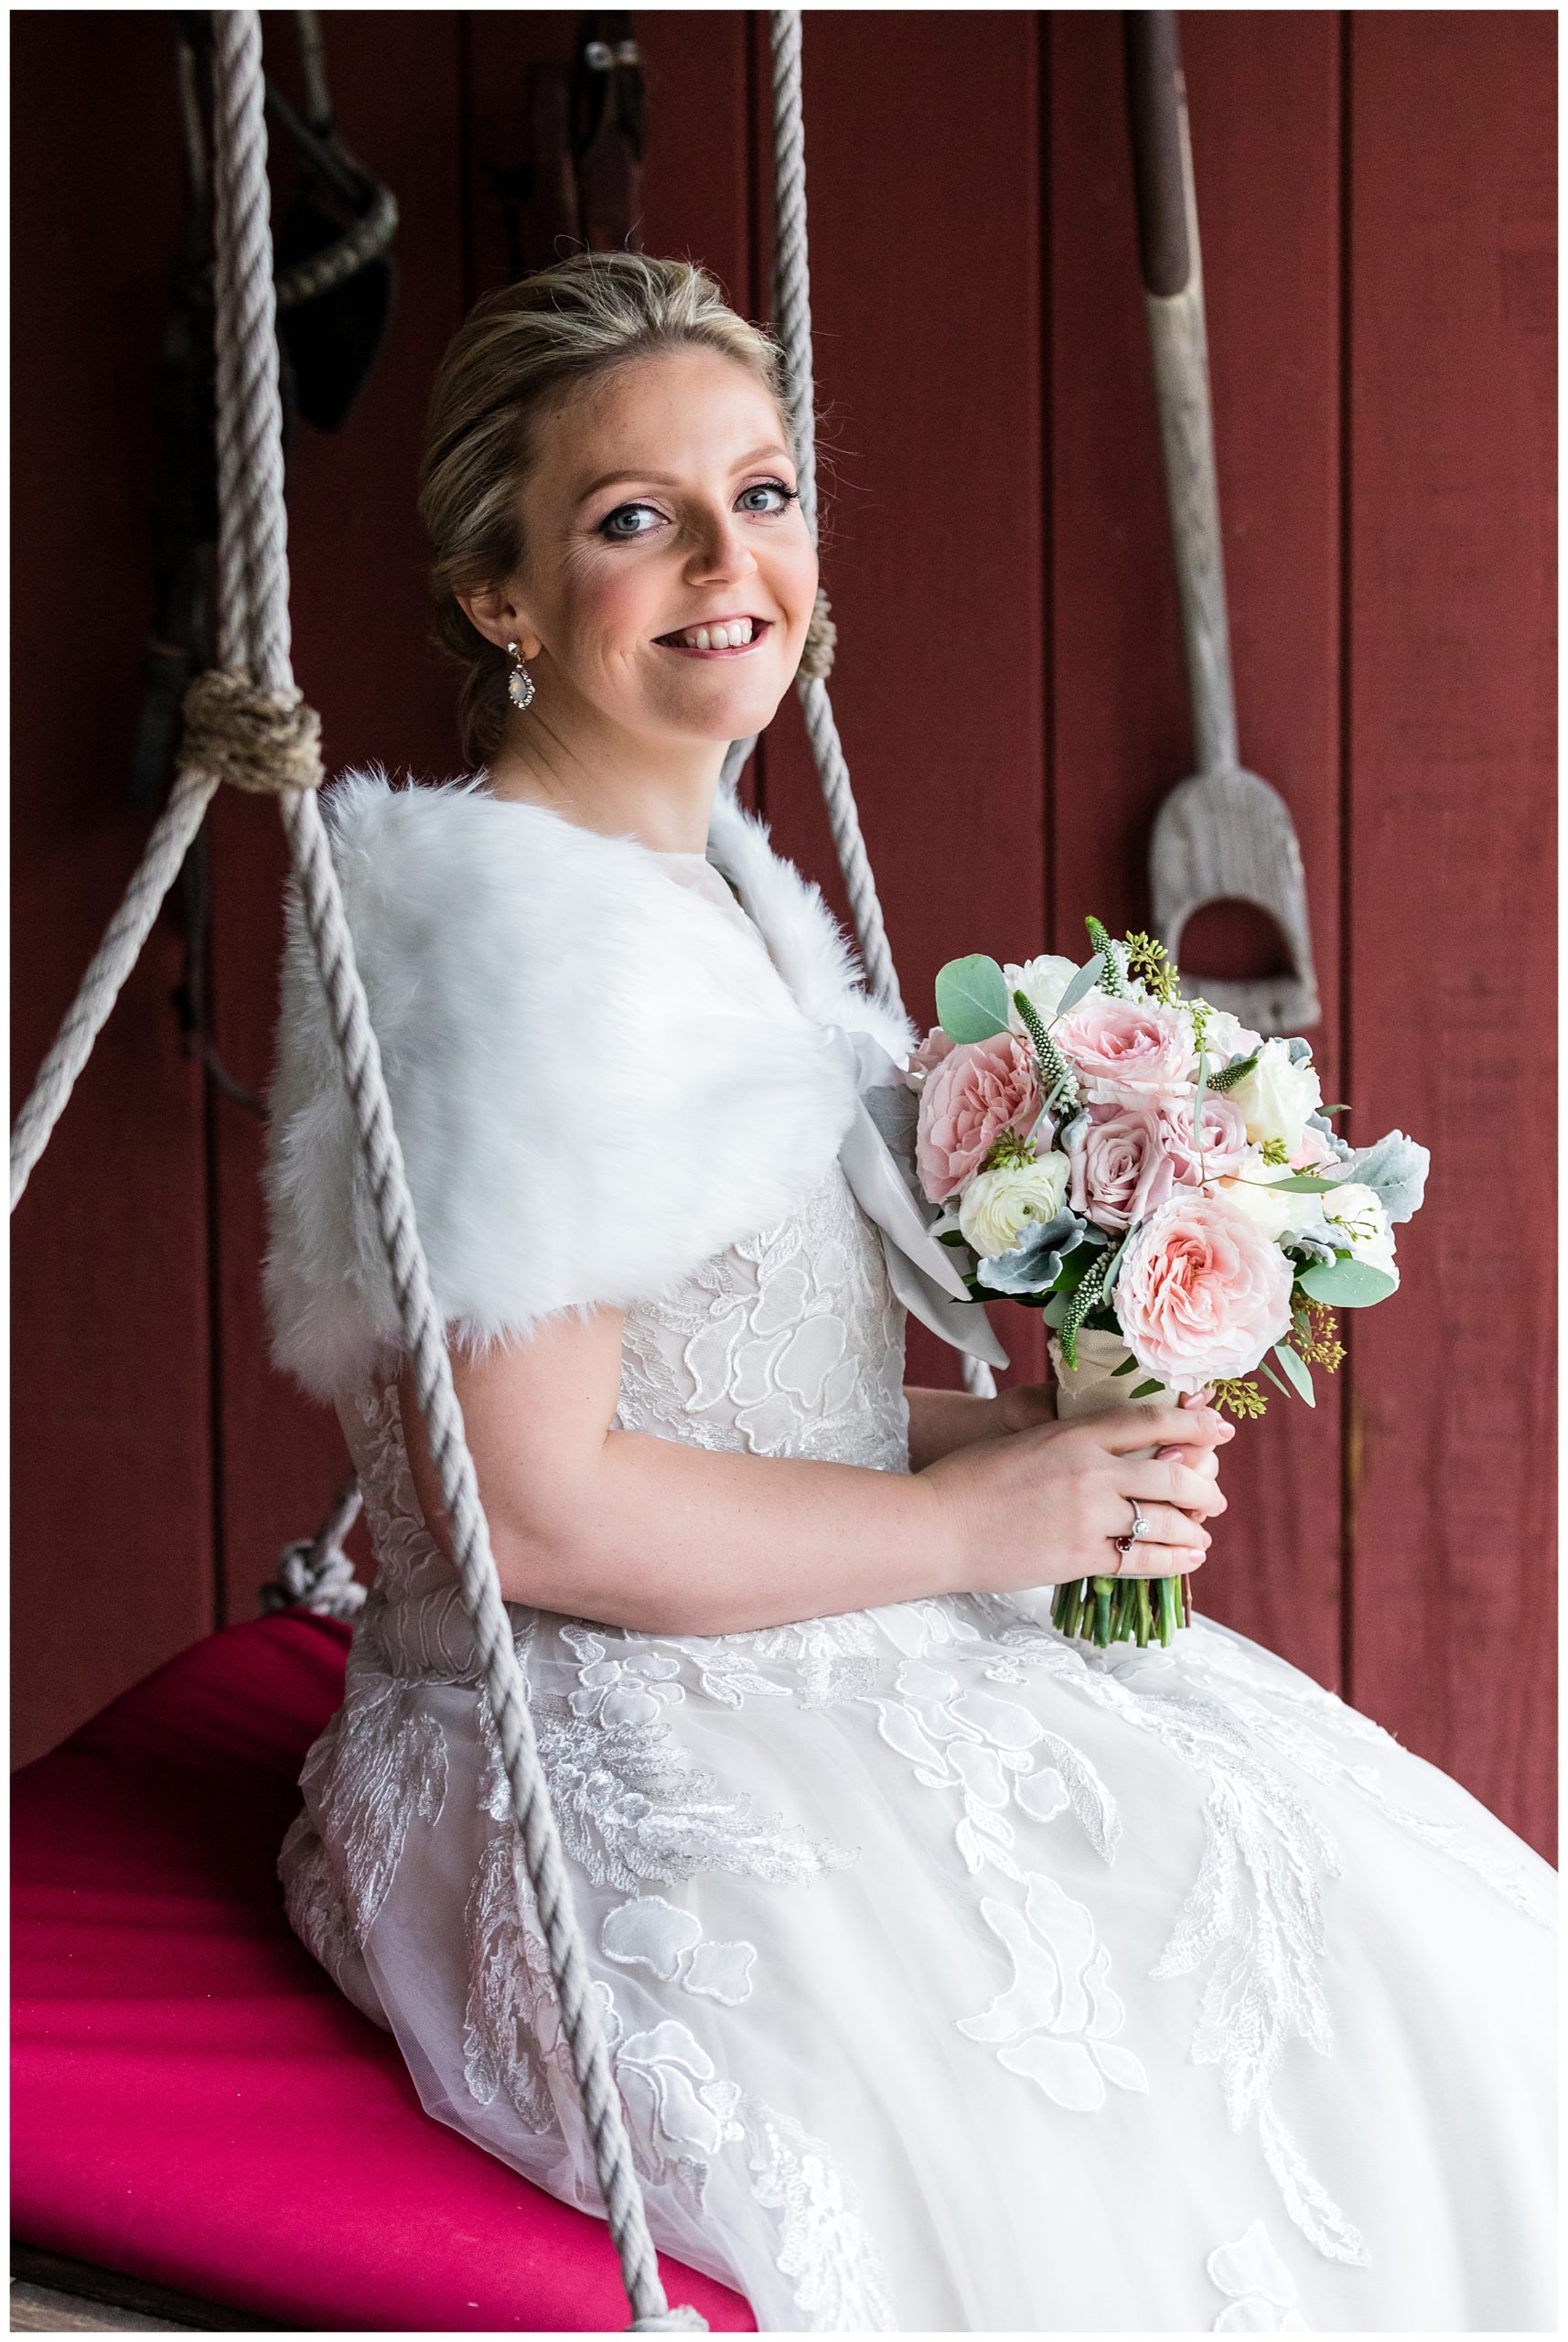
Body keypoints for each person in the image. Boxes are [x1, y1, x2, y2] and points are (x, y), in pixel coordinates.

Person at [265, 252, 1554, 2334]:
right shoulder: (521, 955)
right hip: (598, 1746)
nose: (726, 561)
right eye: (630, 518)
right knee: (1208, 2078)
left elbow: (740, 1399)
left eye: (760, 494)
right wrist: (978, 1520)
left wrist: (1046, 1449)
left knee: (1409, 1951)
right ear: (498, 594)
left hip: (794, 1641)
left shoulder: (697, 890)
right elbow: (530, 1509)